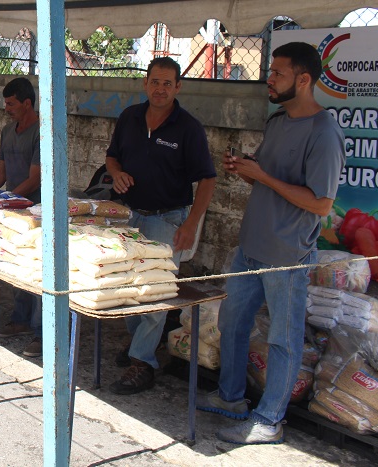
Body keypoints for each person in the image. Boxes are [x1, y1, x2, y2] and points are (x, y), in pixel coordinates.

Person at [196, 42, 346, 444]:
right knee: (232, 323)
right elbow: (266, 177)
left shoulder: (324, 133)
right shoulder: (278, 122)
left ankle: (270, 419)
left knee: (283, 338)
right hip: (251, 246)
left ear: (303, 79)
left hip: (288, 255)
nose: (269, 79)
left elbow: (321, 203)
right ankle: (230, 398)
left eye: (277, 73)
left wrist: (261, 176)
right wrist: (245, 169)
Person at [105, 56, 216, 395]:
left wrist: (191, 225)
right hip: (130, 217)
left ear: (178, 87)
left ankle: (143, 363)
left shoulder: (188, 128)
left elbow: (208, 180)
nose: (161, 88)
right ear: (145, 84)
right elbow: (112, 156)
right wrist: (116, 173)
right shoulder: (130, 118)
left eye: (168, 83)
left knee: (155, 293)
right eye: (155, 81)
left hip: (169, 219)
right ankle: (141, 344)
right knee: (128, 287)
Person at [0, 77, 42, 357]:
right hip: (14, 210)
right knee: (19, 267)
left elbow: (35, 178)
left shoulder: (43, 132)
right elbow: (1, 174)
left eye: (11, 104)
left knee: (40, 273)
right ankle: (21, 320)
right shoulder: (8, 131)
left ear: (27, 103)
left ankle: (43, 333)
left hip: (38, 210)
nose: (6, 108)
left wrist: (8, 200)